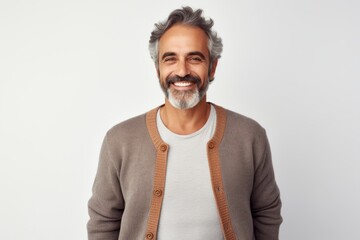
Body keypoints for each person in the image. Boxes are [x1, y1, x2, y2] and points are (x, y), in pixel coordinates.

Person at [87, 6, 282, 240]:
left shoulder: (250, 136)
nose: (182, 71)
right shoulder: (119, 140)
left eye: (195, 58)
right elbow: (103, 221)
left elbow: (266, 212)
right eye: (170, 59)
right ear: (157, 68)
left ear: (212, 67)